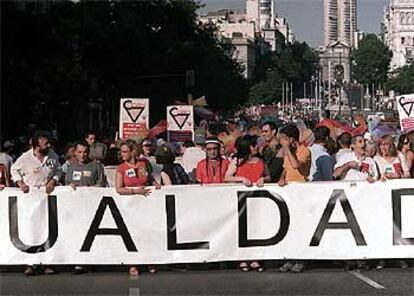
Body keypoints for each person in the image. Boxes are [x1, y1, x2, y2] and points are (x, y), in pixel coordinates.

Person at [10, 131, 62, 276]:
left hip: (46, 197)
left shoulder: (52, 155)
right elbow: (14, 170)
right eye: (45, 143)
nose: (49, 145)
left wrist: (53, 181)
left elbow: (58, 170)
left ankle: (46, 263)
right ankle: (30, 263)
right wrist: (20, 183)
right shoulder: (25, 158)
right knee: (31, 230)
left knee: (47, 228)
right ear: (36, 145)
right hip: (30, 198)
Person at [225, 135, 270, 272]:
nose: (256, 147)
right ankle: (243, 258)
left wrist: (264, 179)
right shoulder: (237, 161)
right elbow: (227, 177)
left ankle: (256, 257)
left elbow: (268, 176)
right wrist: (241, 179)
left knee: (257, 228)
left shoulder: (261, 160)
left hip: (259, 199)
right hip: (242, 199)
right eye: (253, 145)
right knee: (243, 227)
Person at [115, 140, 160, 275]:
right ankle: (133, 263)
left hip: (146, 204)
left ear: (132, 152)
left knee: (147, 233)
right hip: (130, 205)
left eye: (125, 151)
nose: (122, 154)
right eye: (121, 151)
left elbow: (150, 178)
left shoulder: (143, 163)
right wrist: (135, 191)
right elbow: (119, 189)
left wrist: (156, 184)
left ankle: (149, 261)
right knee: (133, 234)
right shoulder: (121, 168)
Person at [65, 141, 106, 274]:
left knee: (92, 234)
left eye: (85, 152)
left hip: (92, 205)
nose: (82, 155)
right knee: (77, 233)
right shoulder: (70, 167)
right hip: (75, 207)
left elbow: (101, 185)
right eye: (80, 152)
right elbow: (66, 185)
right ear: (75, 153)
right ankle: (79, 262)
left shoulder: (96, 166)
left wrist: (88, 189)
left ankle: (92, 260)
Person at [277, 124, 311, 273]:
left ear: (291, 139)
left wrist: (286, 149)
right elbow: (286, 169)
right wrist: (282, 178)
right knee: (288, 226)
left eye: (284, 139)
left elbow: (296, 165)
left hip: (301, 193)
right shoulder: (287, 152)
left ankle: (301, 259)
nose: (282, 142)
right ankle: (289, 257)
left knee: (300, 227)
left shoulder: (305, 151)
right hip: (289, 193)